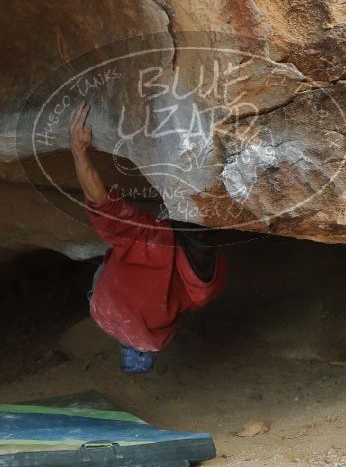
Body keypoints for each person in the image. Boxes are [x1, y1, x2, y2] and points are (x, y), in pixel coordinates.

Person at [68, 102, 227, 373]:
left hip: (157, 284)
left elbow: (101, 201)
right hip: (130, 291)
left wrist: (79, 152)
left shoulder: (186, 279)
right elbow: (100, 200)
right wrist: (78, 151)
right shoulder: (145, 242)